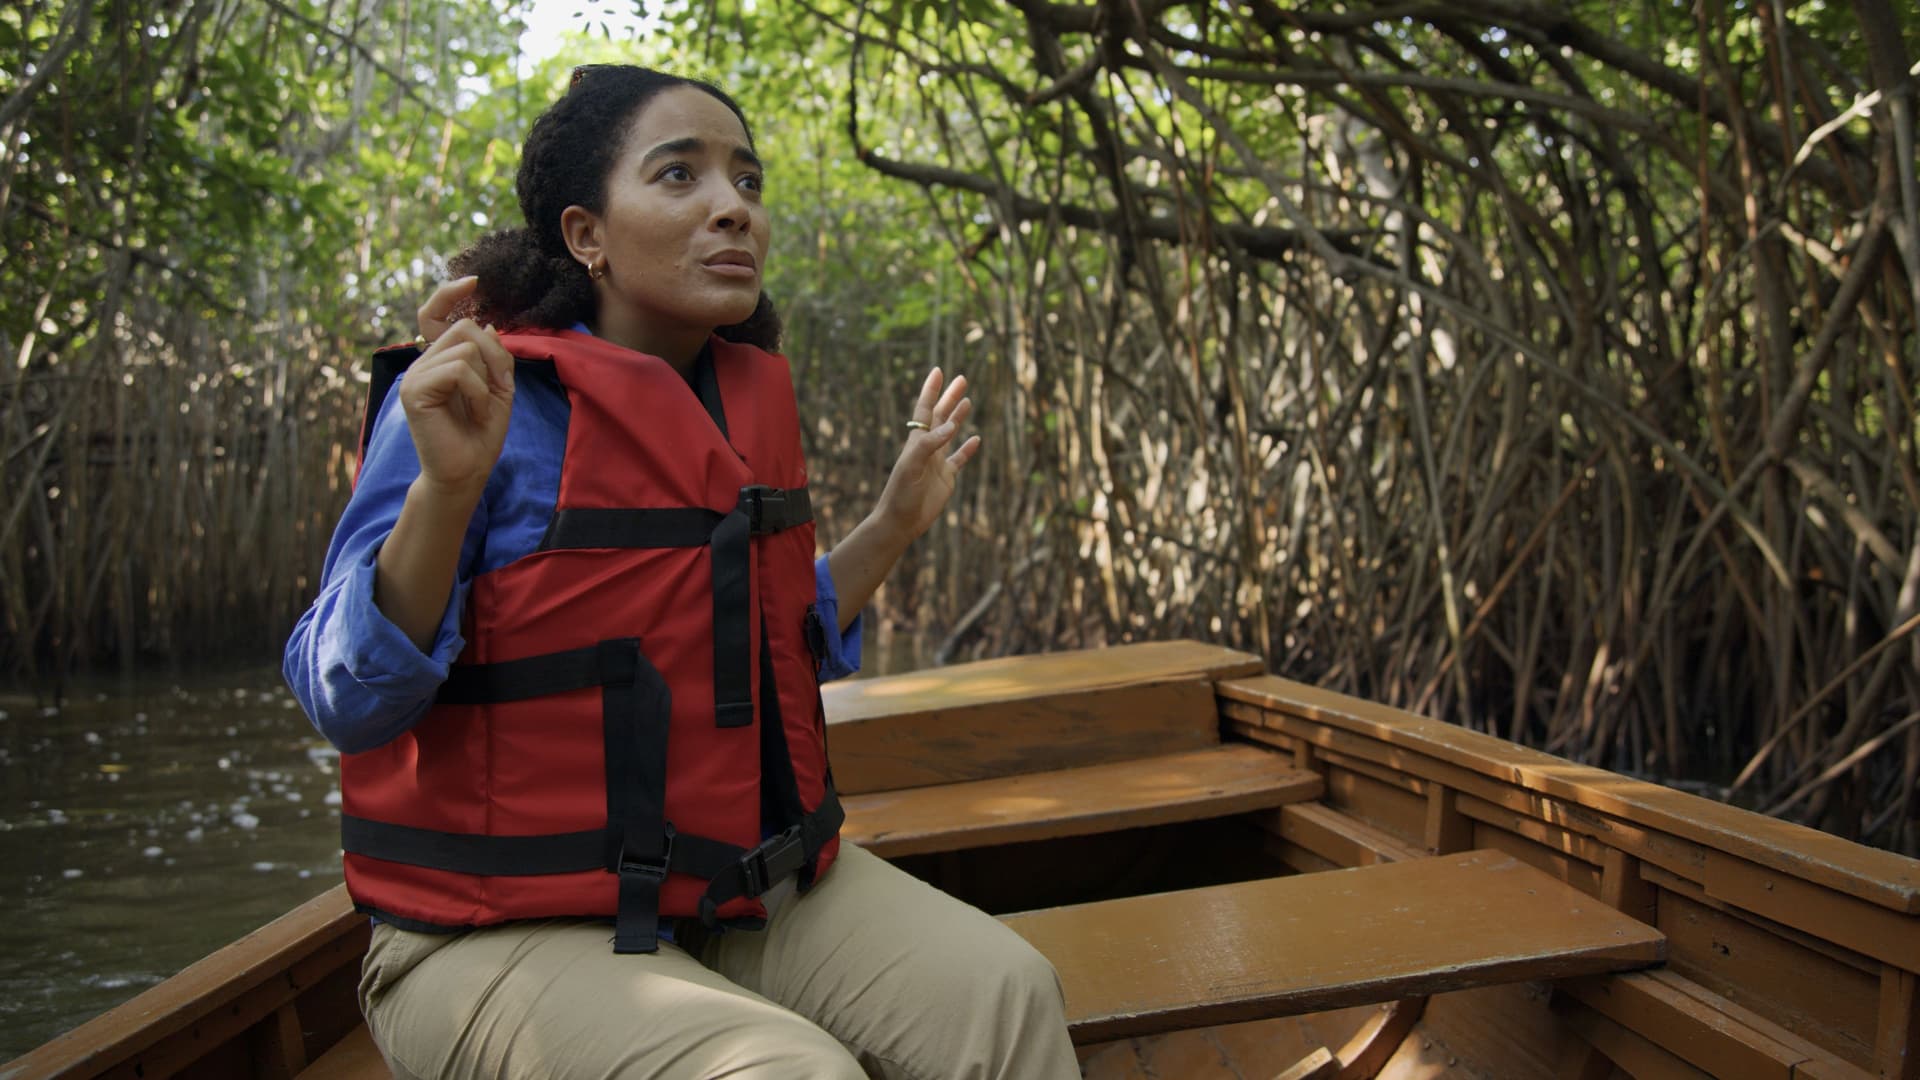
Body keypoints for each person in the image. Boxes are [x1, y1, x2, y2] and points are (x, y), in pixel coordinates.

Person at [283, 64, 1080, 1079]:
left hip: (734, 887)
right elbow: (342, 696)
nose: (731, 208)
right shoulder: (476, 394)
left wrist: (890, 524)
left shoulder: (730, 405)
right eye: (679, 176)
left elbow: (746, 648)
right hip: (493, 930)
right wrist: (445, 489)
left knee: (1007, 995)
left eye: (746, 182)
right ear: (586, 235)